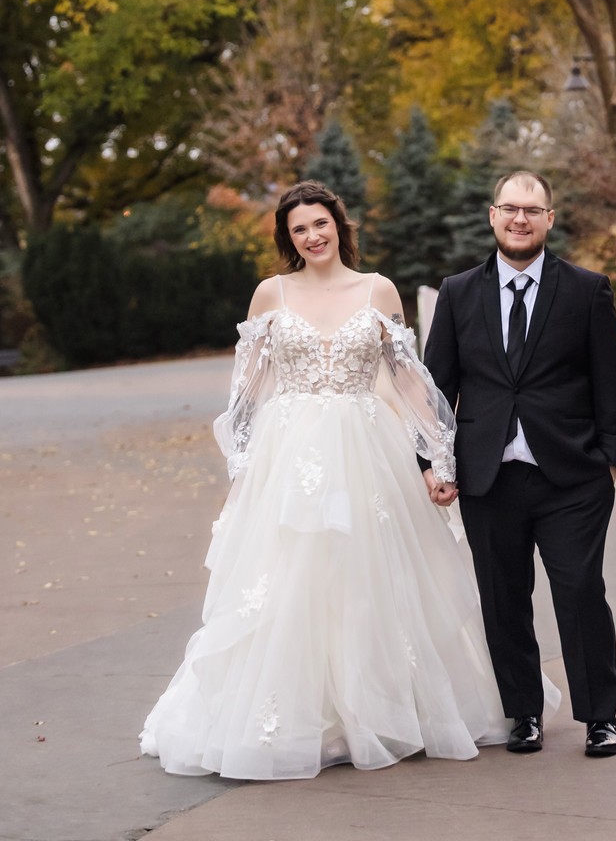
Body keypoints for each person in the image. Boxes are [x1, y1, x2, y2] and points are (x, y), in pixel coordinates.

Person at [140, 180, 515, 779]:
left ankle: (378, 711)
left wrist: (439, 459)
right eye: (299, 230)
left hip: (367, 449)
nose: (313, 236)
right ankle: (300, 718)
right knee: (290, 580)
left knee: (367, 577)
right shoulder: (271, 294)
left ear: (339, 226)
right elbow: (246, 392)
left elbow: (409, 379)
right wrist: (244, 468)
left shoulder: (377, 289)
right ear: (288, 239)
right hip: (288, 457)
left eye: (320, 224)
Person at [423, 170, 616, 758]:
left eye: (532, 210)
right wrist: (432, 462)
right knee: (503, 599)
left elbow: (611, 381)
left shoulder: (586, 290)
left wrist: (610, 459)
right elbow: (436, 388)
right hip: (489, 479)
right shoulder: (459, 292)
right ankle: (524, 713)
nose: (520, 219)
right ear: (492, 215)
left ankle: (600, 717)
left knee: (580, 592)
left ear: (549, 220)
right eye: (510, 208)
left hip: (572, 478)